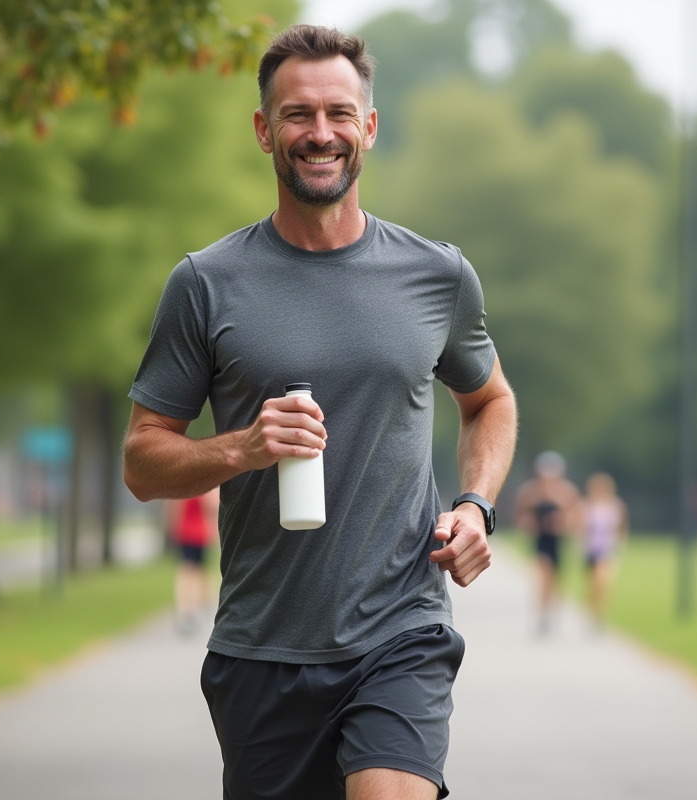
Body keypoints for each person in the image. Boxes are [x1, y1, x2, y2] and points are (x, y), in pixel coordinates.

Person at [120, 24, 518, 800]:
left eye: (340, 112)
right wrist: (240, 448)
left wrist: (476, 505)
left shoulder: (437, 276)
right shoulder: (205, 283)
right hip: (262, 647)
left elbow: (490, 400)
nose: (320, 132)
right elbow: (142, 461)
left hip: (400, 629)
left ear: (368, 127)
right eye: (298, 114)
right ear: (265, 131)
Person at [514, 451, 579, 636]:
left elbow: (575, 517)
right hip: (540, 540)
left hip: (557, 540)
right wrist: (528, 524)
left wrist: (562, 522)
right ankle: (542, 615)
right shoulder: (530, 491)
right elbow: (521, 517)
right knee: (543, 575)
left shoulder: (567, 491)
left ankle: (551, 610)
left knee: (555, 580)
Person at [577, 471, 629, 630]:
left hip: (608, 549)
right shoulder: (586, 506)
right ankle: (592, 613)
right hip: (590, 549)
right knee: (593, 585)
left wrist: (620, 543)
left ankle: (599, 615)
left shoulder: (616, 506)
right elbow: (579, 527)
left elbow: (622, 526)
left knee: (604, 582)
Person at [166, 487, 219, 635]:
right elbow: (212, 507)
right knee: (195, 573)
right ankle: (192, 609)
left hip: (188, 533)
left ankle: (187, 609)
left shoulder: (182, 489)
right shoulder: (204, 487)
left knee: (187, 572)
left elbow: (174, 510)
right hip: (197, 534)